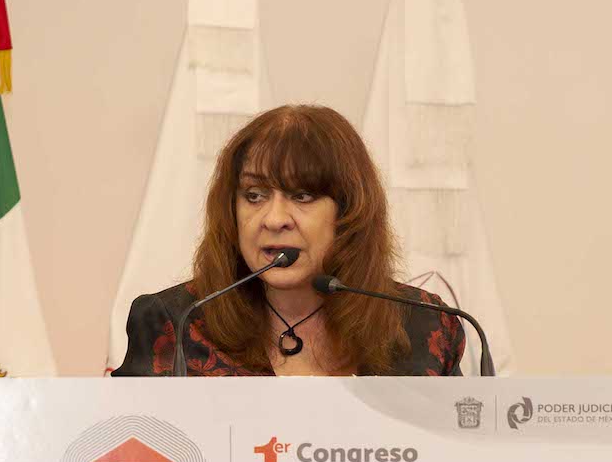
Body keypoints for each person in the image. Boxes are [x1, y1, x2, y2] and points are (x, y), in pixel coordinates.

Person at [112, 104, 465, 377]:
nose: (275, 219)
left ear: (347, 212)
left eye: (302, 196)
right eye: (254, 195)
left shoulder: (425, 325)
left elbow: (460, 460)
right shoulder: (176, 322)